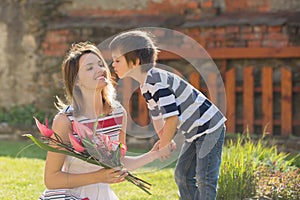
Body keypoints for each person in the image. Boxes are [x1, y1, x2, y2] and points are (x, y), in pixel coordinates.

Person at [40, 41, 174, 200]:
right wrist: (98, 177)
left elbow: (118, 162)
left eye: (100, 64)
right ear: (76, 81)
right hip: (68, 196)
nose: (100, 70)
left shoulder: (118, 114)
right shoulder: (66, 120)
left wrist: (154, 154)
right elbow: (51, 179)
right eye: (90, 68)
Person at [109, 30, 227, 200]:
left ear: (135, 62)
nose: (113, 65)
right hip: (194, 133)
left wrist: (164, 144)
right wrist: (164, 139)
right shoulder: (146, 86)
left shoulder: (157, 82)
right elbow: (157, 117)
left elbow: (172, 118)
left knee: (205, 178)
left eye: (117, 60)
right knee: (182, 175)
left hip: (209, 128)